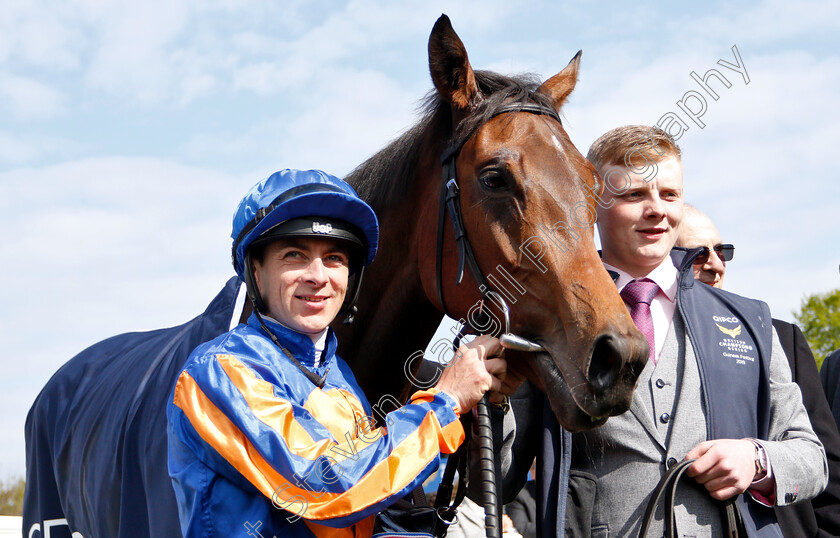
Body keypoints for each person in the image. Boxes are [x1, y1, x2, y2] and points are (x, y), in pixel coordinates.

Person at [499, 126, 827, 537]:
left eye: (669, 194)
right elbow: (496, 478)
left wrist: (755, 459)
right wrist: (494, 405)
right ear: (591, 205)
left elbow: (813, 460)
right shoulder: (548, 324)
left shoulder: (750, 321)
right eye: (635, 194)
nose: (657, 209)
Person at [166, 169, 509, 537]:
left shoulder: (338, 373)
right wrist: (445, 402)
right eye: (295, 255)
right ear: (255, 270)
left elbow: (374, 496)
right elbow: (325, 486)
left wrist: (473, 428)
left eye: (334, 258)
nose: (318, 276)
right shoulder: (220, 371)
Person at [677, 205, 840, 536]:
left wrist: (756, 459)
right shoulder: (634, 341)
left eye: (723, 251)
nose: (716, 264)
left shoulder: (777, 336)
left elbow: (828, 470)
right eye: (697, 254)